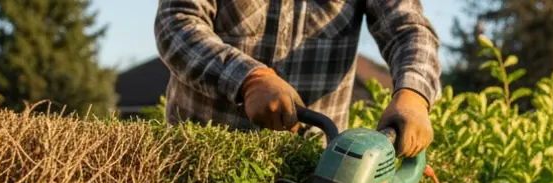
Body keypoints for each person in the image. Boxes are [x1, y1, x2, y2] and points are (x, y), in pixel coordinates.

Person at [155, 0, 440, 157]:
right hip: (198, 167)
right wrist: (248, 78)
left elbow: (409, 30)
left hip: (312, 176)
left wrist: (413, 96)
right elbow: (176, 22)